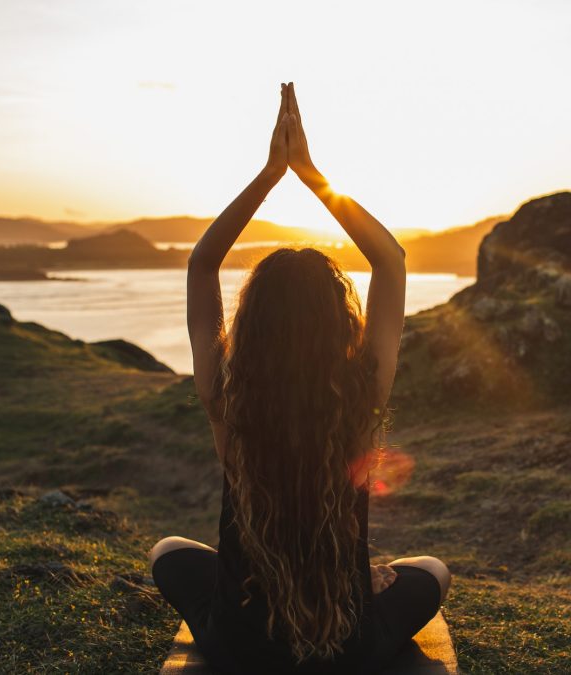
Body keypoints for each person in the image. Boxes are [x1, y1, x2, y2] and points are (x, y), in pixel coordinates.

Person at [149, 82, 451, 674]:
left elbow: (202, 263)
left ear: (253, 323)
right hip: (349, 643)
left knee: (168, 552)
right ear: (338, 321)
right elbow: (390, 259)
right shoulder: (362, 394)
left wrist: (270, 175)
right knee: (433, 570)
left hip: (239, 641)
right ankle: (359, 580)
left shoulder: (227, 399)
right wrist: (313, 177)